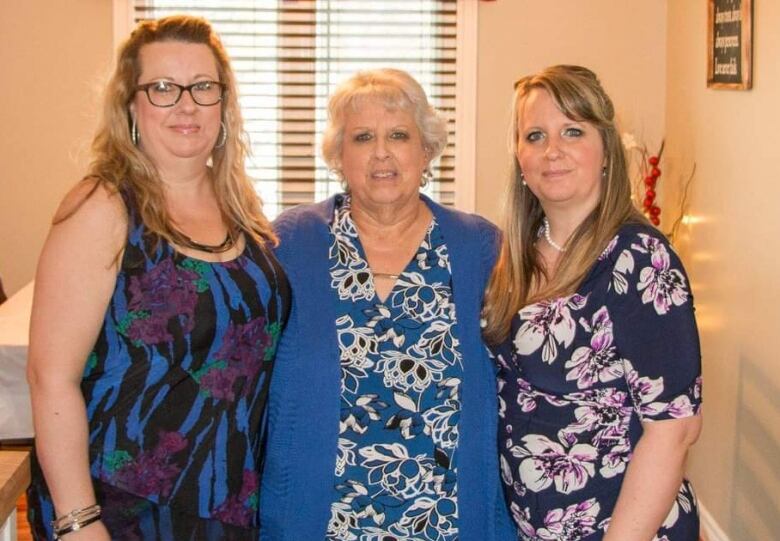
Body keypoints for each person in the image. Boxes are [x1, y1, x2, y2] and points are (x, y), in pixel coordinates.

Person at [26, 16, 289, 540]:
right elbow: (49, 376)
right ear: (131, 105)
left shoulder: (242, 209)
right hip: (124, 506)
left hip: (229, 501)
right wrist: (79, 521)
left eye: (203, 87)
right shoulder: (102, 206)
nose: (187, 104)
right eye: (163, 88)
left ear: (224, 103)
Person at [259, 68, 515, 541]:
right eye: (362, 137)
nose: (381, 152)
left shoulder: (481, 248)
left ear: (427, 150)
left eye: (398, 135)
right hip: (320, 519)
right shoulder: (290, 243)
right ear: (338, 155)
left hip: (448, 519)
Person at [482, 64, 702, 540]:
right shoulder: (512, 257)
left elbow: (673, 429)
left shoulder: (638, 259)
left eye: (573, 131)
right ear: (519, 157)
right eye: (535, 135)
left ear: (606, 150)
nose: (552, 150)